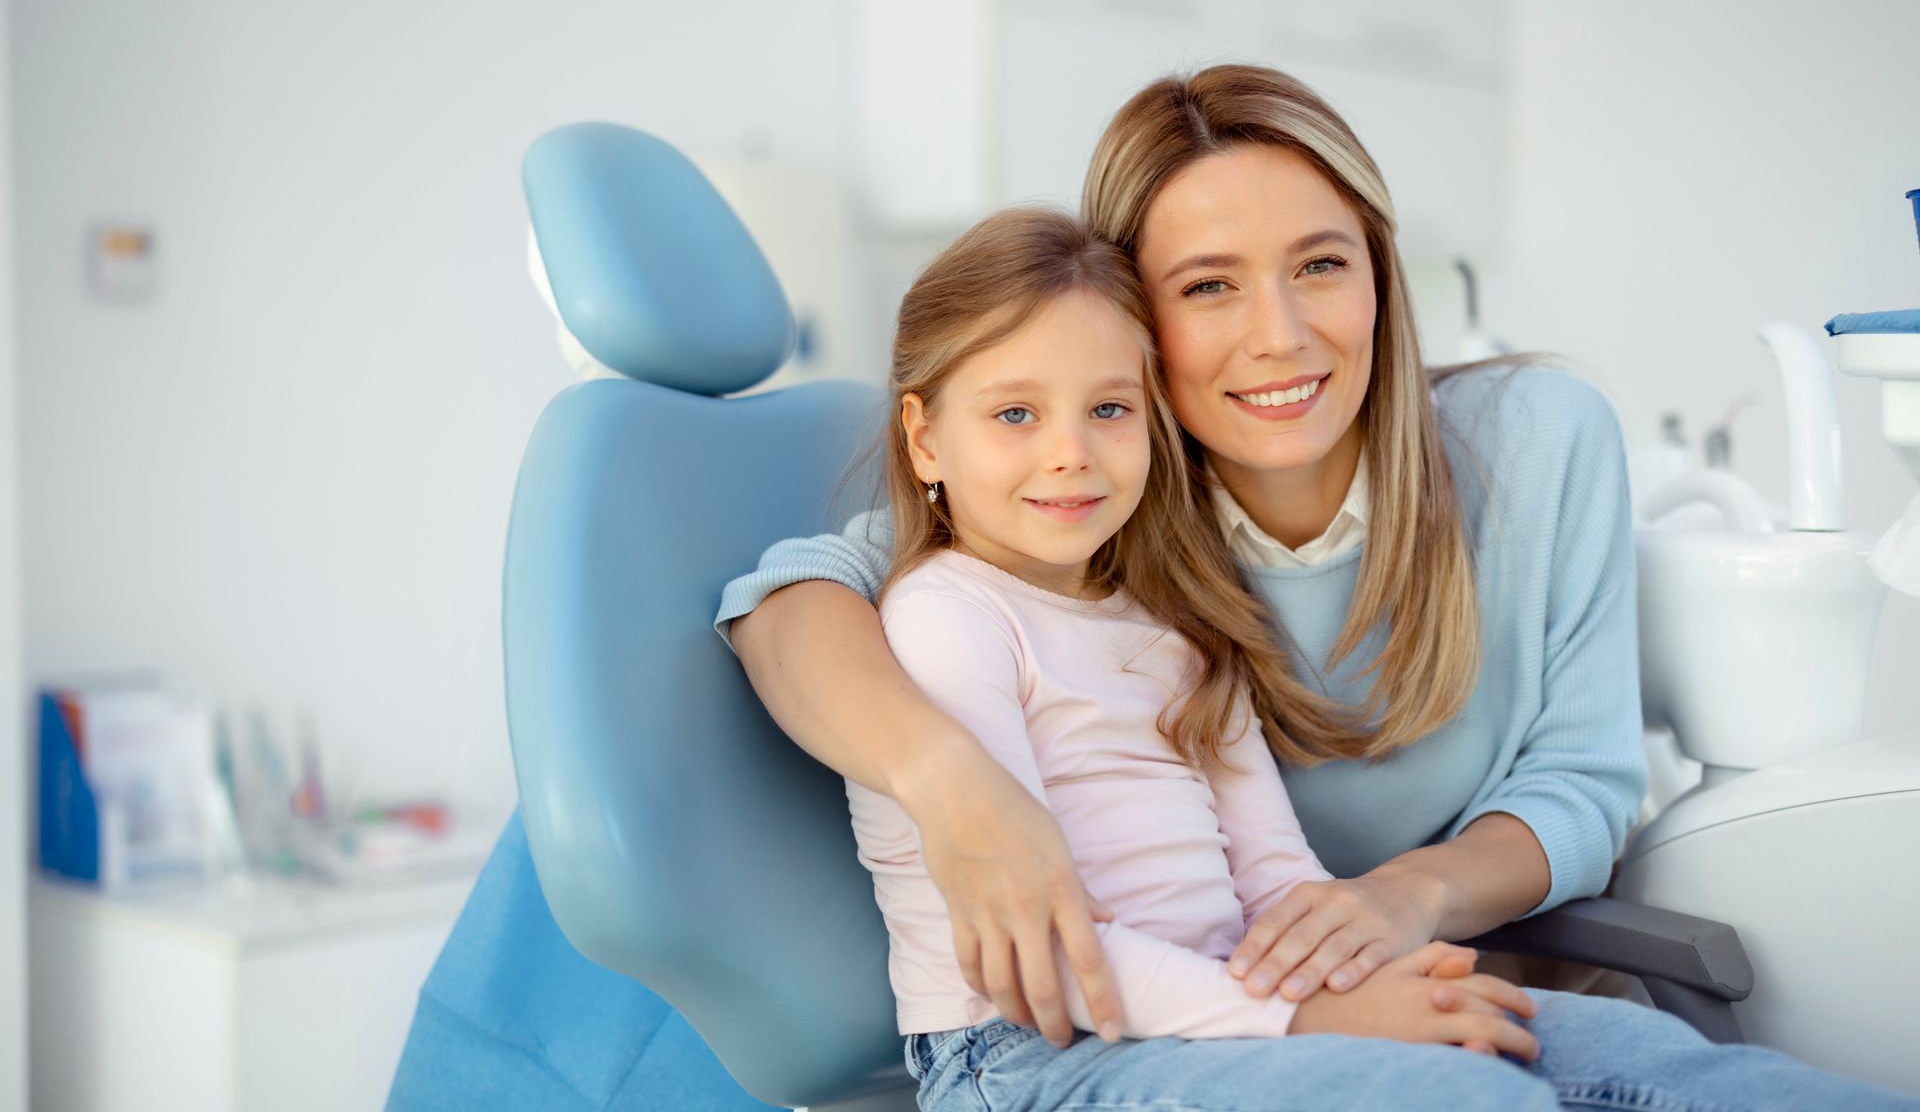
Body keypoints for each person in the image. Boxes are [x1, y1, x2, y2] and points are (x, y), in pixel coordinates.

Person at [720, 65, 1920, 1110]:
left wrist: (1393, 918)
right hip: (1139, 1029)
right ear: (1140, 325)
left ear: (1382, 276)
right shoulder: (1077, 515)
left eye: (1319, 265)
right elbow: (790, 603)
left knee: (1705, 1076)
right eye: (1208, 286)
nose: (1280, 334)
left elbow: (1572, 784)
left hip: (1334, 978)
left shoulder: (1522, 447)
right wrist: (952, 787)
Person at [855, 204, 1554, 1110]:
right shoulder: (948, 617)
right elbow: (1045, 958)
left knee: (1606, 1052)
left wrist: (1379, 978)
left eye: (1109, 408)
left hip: (1225, 1006)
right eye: (1016, 413)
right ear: (924, 439)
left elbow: (1277, 876)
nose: (1070, 454)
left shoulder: (1174, 628)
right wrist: (1313, 1022)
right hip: (1034, 1047)